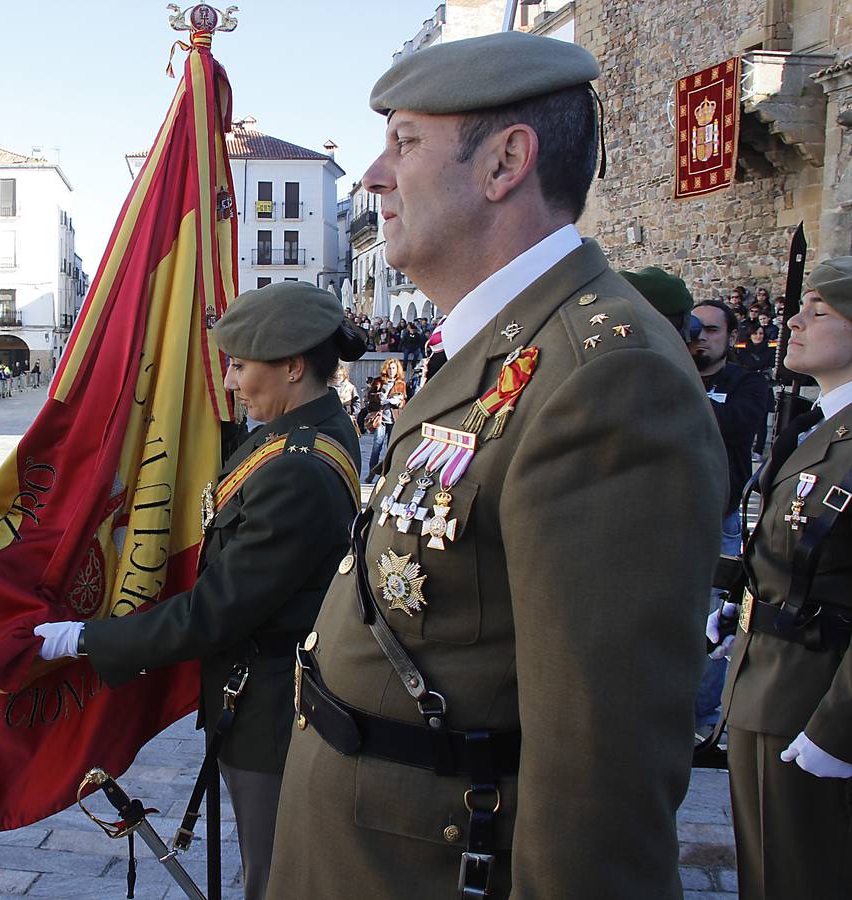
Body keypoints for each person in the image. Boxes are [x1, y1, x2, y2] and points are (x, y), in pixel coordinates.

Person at [269, 31, 726, 898]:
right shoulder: (498, 341)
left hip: (430, 858)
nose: (372, 176)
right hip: (364, 838)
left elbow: (604, 766)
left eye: (403, 141)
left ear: (506, 162)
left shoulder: (607, 377)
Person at [33, 281, 365, 900]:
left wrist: (88, 638)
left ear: (293, 367)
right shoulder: (294, 435)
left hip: (270, 713)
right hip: (259, 701)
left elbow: (217, 612)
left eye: (240, 366)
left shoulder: (297, 468)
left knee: (274, 879)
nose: (232, 382)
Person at [713, 257, 852, 899]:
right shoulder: (818, 427)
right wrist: (746, 603)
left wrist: (840, 728)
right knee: (765, 873)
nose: (794, 320)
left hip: (813, 695)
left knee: (800, 877)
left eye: (820, 312)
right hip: (765, 677)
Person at [683, 293, 770, 733]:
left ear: (731, 337)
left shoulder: (748, 383)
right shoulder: (671, 372)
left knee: (714, 620)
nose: (701, 339)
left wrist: (677, 400)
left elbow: (736, 426)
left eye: (711, 330)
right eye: (694, 329)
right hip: (665, 518)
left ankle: (700, 716)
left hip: (720, 517)